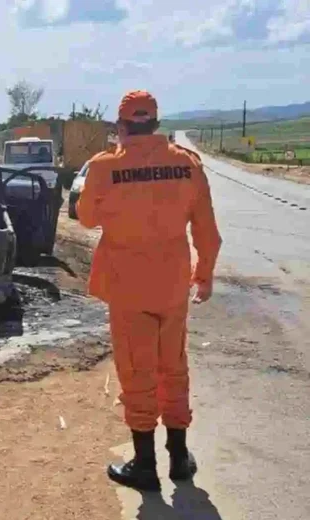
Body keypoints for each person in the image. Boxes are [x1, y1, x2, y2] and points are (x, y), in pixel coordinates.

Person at [76, 90, 222, 492]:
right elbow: (207, 231)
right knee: (173, 366)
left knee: (136, 371)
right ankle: (178, 458)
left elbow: (86, 219)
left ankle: (144, 464)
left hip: (127, 286)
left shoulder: (104, 168)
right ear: (156, 124)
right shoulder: (186, 165)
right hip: (173, 285)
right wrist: (204, 275)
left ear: (122, 126)